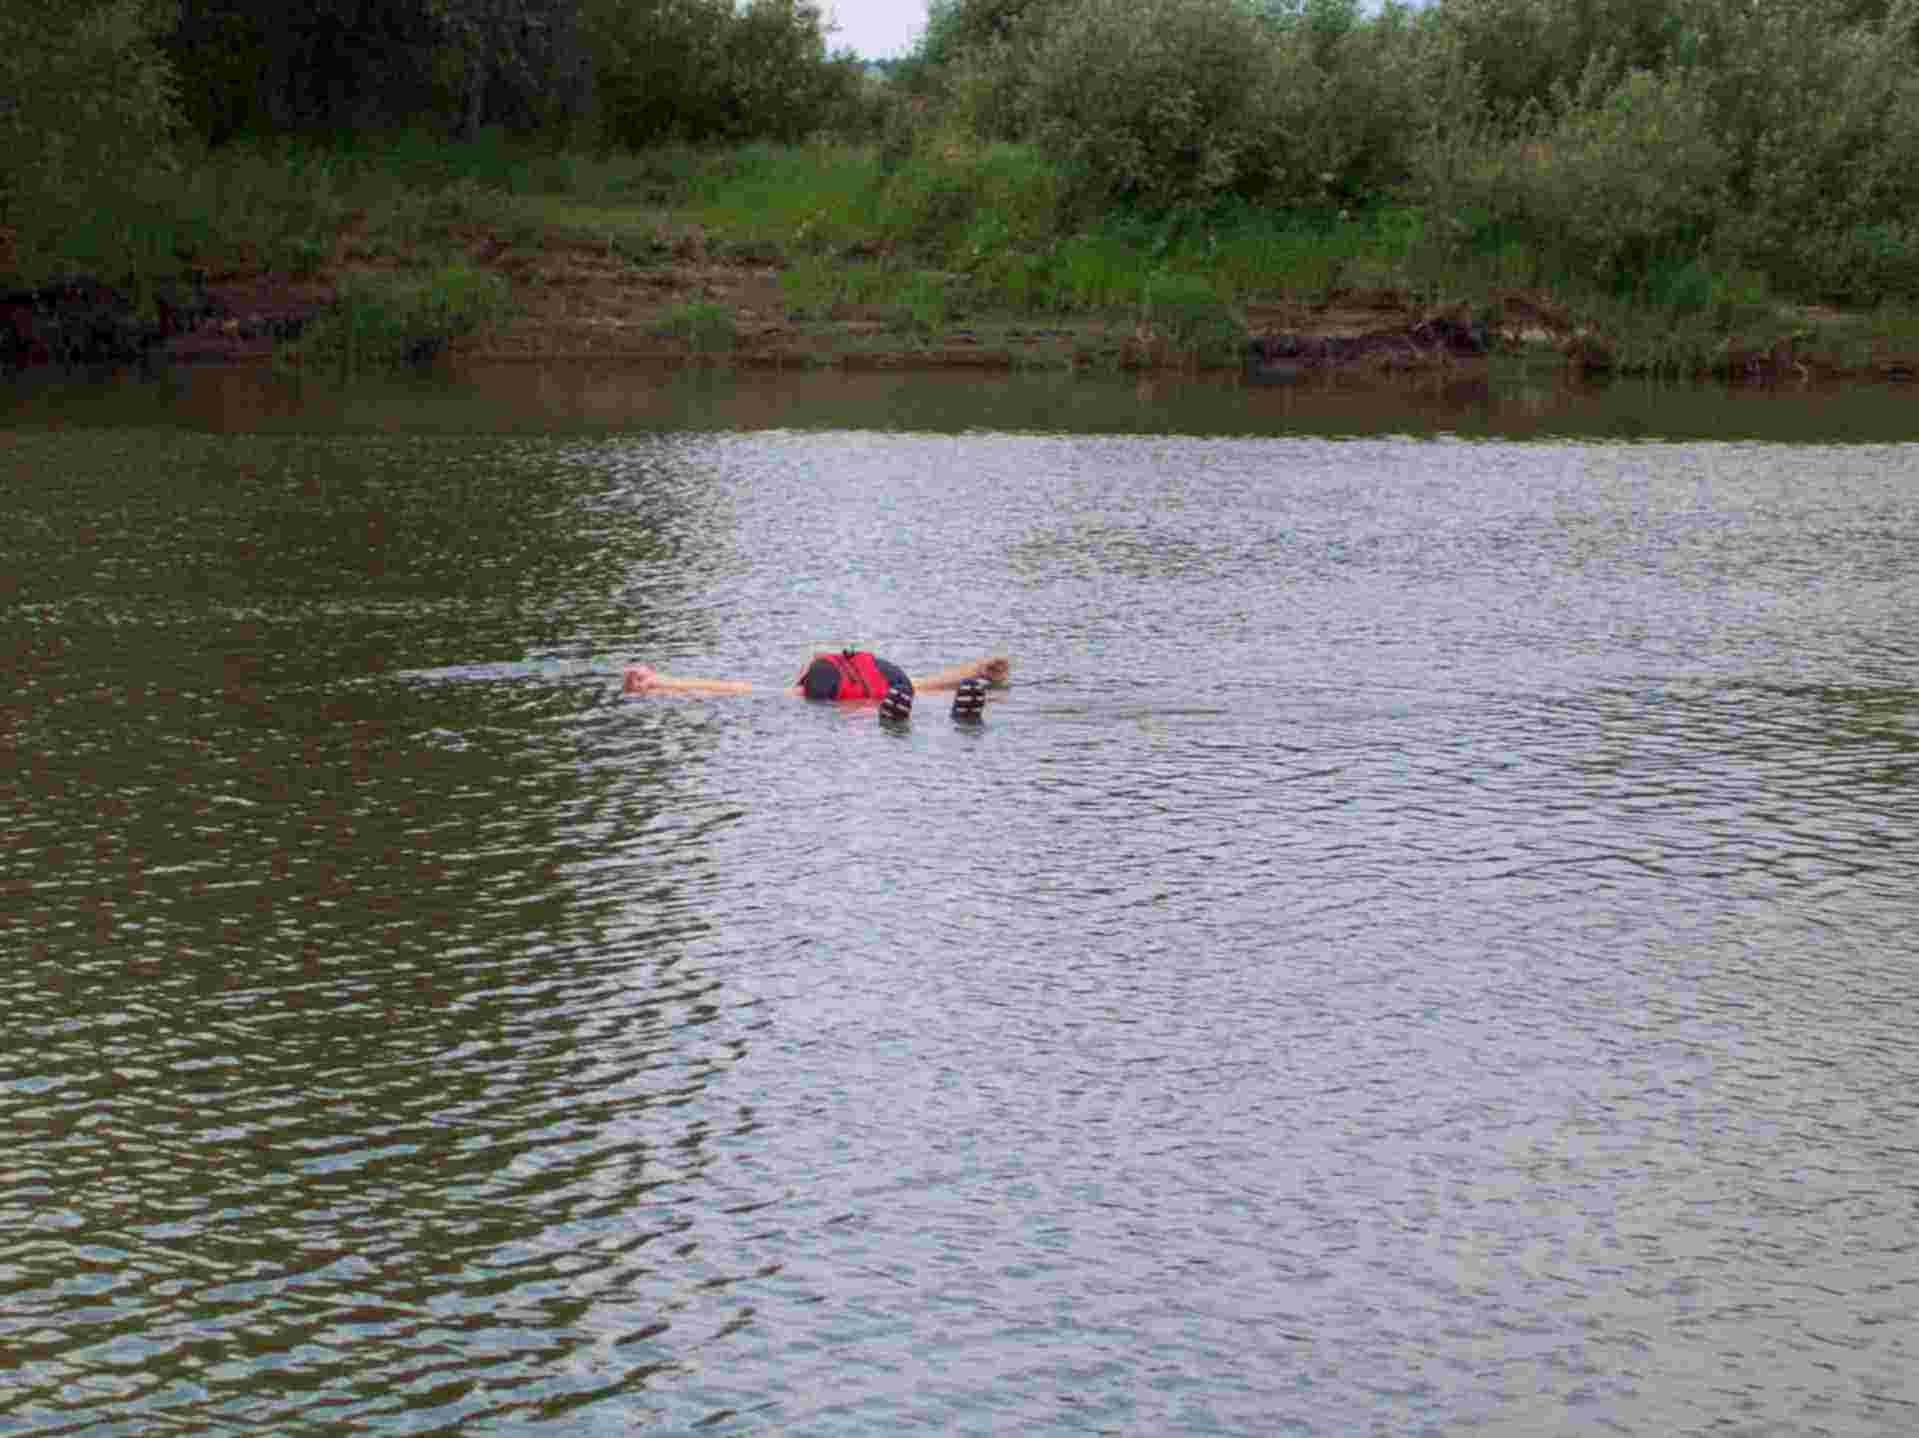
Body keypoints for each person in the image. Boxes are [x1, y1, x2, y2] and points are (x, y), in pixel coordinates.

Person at [623, 649, 1008, 702]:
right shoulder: (888, 682)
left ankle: (979, 679)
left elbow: (736, 688)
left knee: (762, 692)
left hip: (845, 675)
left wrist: (662, 683)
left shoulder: (814, 680)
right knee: (920, 688)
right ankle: (980, 680)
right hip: (855, 674)